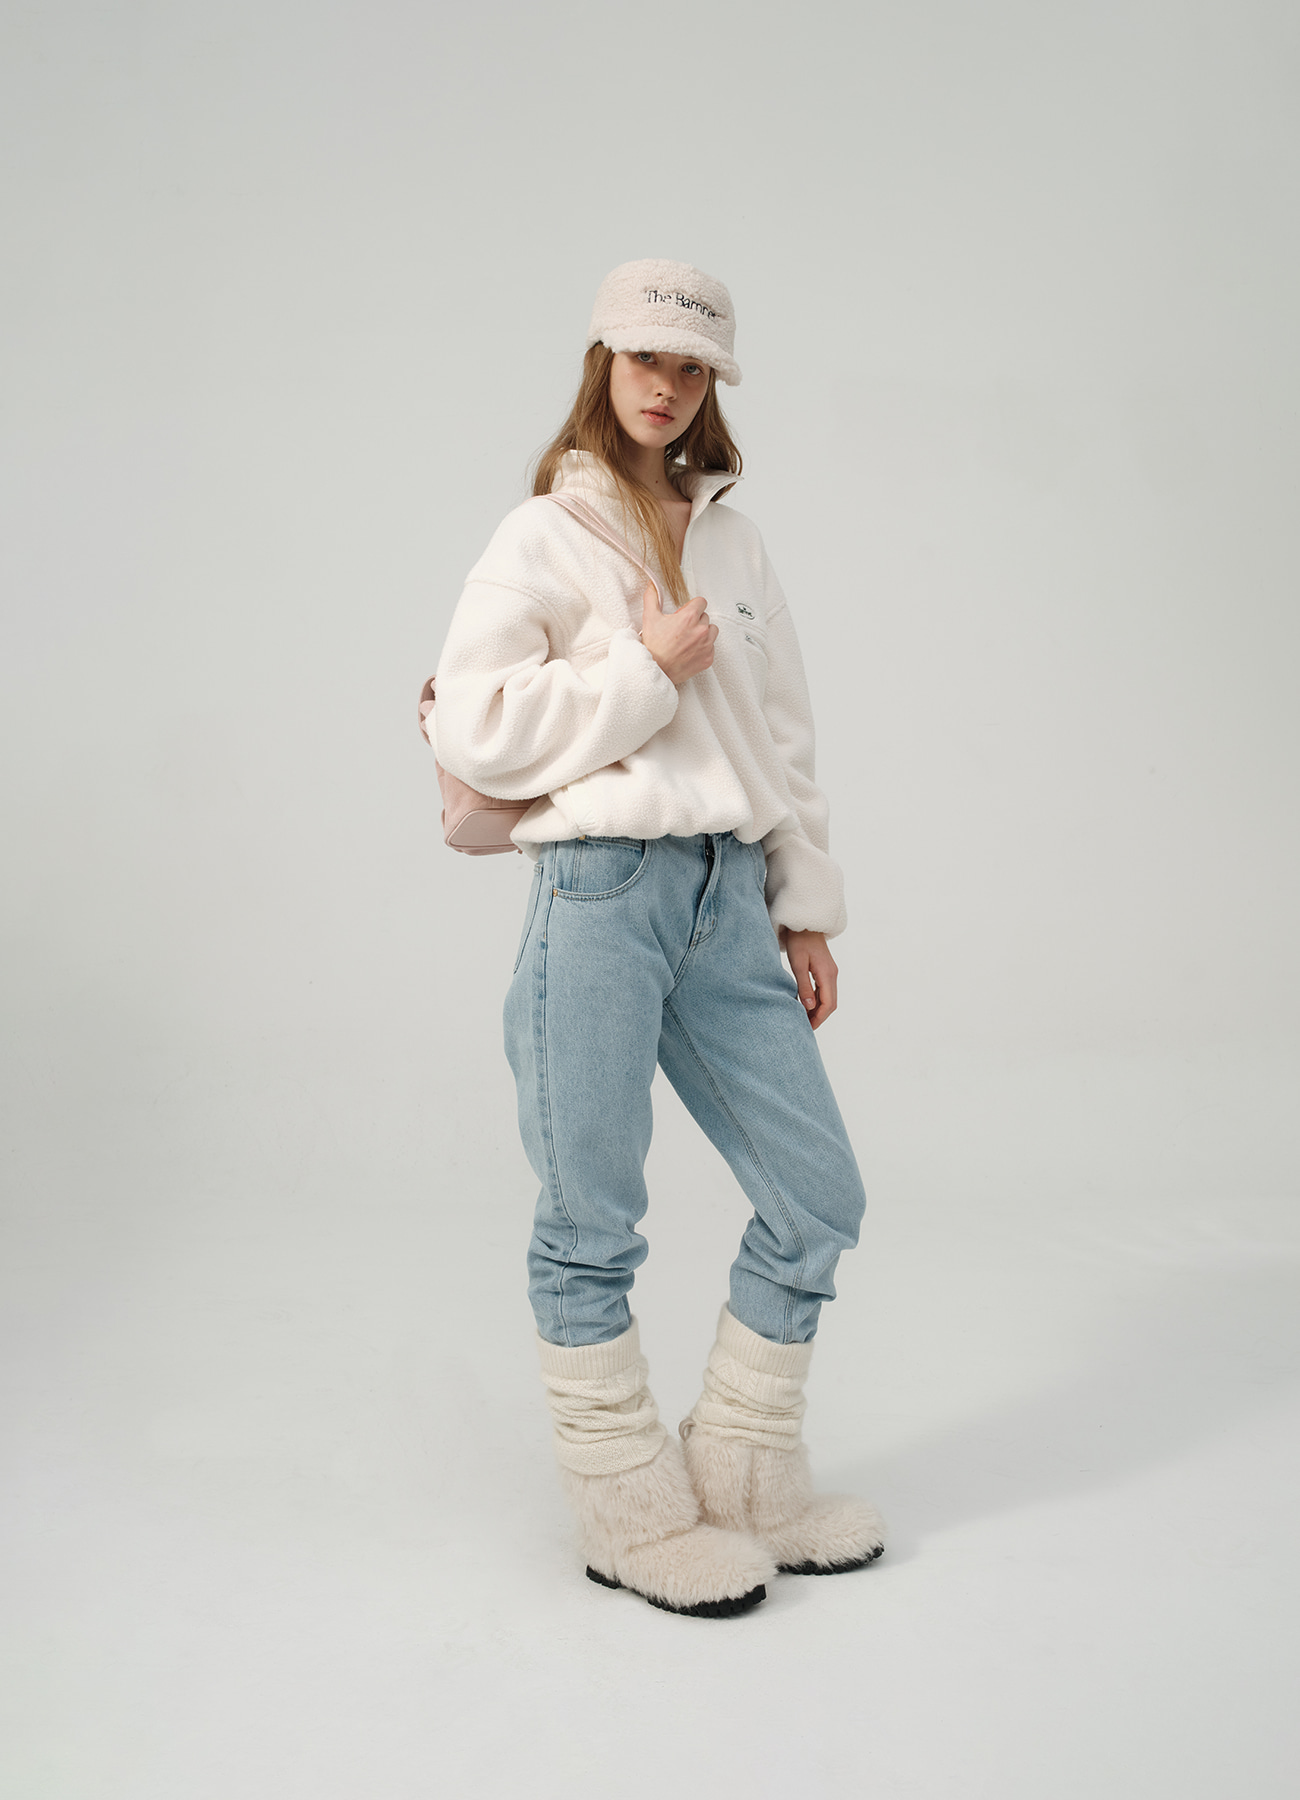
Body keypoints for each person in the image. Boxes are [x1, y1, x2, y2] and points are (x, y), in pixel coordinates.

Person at [433, 259, 884, 1618]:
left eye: (692, 367)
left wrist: (803, 907)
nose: (667, 385)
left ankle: (745, 1485)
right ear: (603, 362)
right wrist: (645, 673)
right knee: (591, 1217)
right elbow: (473, 724)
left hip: (728, 895)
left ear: (711, 386)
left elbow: (783, 740)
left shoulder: (736, 544)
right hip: (600, 891)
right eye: (646, 358)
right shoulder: (541, 535)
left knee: (817, 1196)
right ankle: (630, 1518)